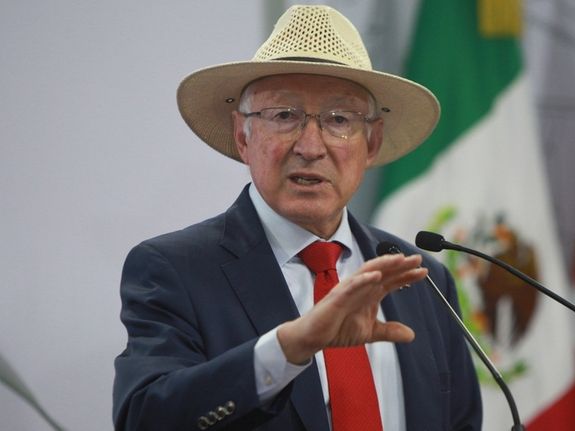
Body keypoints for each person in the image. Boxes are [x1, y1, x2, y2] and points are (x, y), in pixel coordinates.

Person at [113, 5, 481, 431]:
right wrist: (288, 348)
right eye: (284, 116)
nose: (310, 145)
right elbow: (143, 418)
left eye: (339, 119)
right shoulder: (174, 269)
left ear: (372, 142)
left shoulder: (425, 279)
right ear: (242, 136)